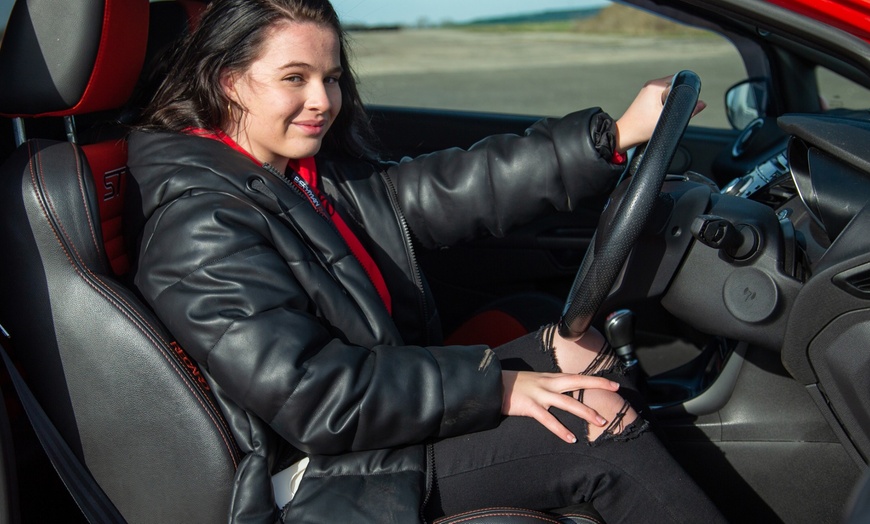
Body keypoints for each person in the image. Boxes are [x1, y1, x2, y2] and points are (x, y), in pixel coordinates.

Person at [127, 0, 723, 522]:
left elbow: (453, 188)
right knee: (594, 431)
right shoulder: (202, 222)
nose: (322, 101)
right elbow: (313, 399)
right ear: (231, 83)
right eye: (294, 77)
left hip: (373, 425)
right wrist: (499, 388)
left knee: (576, 346)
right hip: (321, 473)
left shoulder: (297, 177)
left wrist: (613, 135)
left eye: (331, 78)